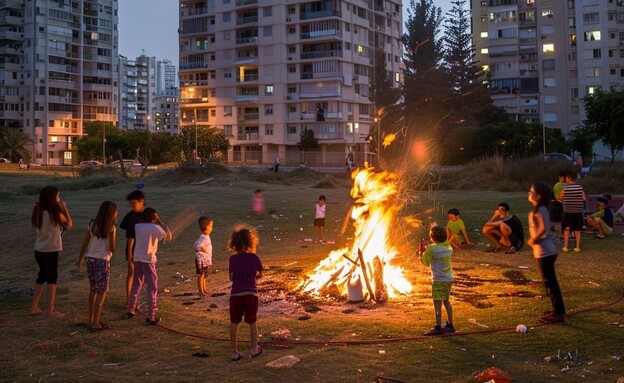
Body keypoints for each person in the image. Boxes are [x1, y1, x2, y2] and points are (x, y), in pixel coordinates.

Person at [30, 186, 73, 317]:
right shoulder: (54, 214)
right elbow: (69, 223)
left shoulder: (38, 210)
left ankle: (34, 307)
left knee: (42, 275)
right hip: (51, 249)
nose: (59, 198)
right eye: (58, 196)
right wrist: (64, 208)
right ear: (52, 198)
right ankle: (50, 310)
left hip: (39, 249)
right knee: (52, 278)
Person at [527, 182, 566, 323]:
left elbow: (544, 228)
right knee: (549, 282)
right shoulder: (538, 208)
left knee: (550, 283)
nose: (529, 194)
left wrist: (533, 240)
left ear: (538, 195)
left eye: (531, 191)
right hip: (542, 251)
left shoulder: (541, 209)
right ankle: (557, 310)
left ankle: (558, 314)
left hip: (546, 252)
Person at [127, 208, 172, 325]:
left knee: (137, 284)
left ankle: (131, 308)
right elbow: (167, 236)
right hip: (149, 260)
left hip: (137, 258)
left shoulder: (138, 226)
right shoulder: (155, 228)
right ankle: (151, 315)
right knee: (152, 287)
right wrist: (161, 223)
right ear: (154, 218)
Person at [77, 201, 117, 332]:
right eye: (115, 211)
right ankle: (96, 322)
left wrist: (80, 258)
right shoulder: (111, 227)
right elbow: (112, 247)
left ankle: (91, 318)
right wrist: (113, 250)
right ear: (111, 213)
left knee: (93, 290)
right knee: (102, 291)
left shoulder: (92, 224)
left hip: (90, 260)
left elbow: (85, 242)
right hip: (102, 261)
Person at [228, 225, 263, 361]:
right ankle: (254, 348)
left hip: (236, 295)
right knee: (252, 321)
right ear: (251, 242)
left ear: (234, 243)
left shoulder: (232, 259)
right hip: (251, 294)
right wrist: (253, 276)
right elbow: (259, 274)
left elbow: (231, 277)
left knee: (234, 323)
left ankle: (234, 352)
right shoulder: (254, 258)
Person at [421, 226, 455, 335]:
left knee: (437, 303)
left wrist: (422, 251)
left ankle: (438, 327)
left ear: (432, 237)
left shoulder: (432, 248)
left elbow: (425, 262)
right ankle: (450, 325)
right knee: (446, 301)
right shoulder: (448, 247)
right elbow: (438, 248)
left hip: (438, 279)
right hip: (449, 279)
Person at [119, 190, 145, 302]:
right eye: (130, 203)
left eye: (133, 203)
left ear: (141, 202)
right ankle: (129, 298)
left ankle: (136, 297)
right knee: (132, 272)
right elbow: (130, 237)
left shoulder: (147, 215)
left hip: (144, 248)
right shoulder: (130, 216)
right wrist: (129, 253)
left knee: (141, 274)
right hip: (133, 249)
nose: (131, 206)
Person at [559, 171, 585, 252]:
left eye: (566, 178)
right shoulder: (580, 187)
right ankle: (577, 247)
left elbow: (560, 197)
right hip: (577, 211)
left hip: (567, 212)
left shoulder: (565, 188)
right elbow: (584, 198)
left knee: (566, 229)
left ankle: (565, 246)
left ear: (568, 178)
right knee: (577, 229)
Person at [194, 216, 214, 298]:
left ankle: (204, 289)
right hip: (201, 259)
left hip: (205, 259)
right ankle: (201, 291)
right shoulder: (203, 237)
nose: (212, 228)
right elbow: (196, 245)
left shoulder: (206, 237)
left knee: (204, 274)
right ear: (207, 227)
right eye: (211, 226)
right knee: (201, 275)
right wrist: (200, 250)